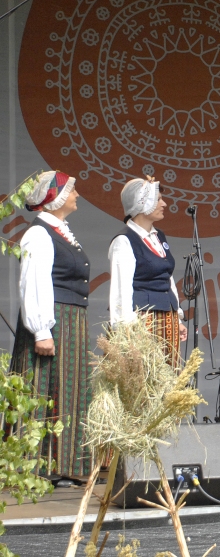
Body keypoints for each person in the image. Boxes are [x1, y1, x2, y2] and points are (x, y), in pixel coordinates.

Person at [10, 171, 91, 484]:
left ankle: (66, 464)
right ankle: (38, 467)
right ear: (56, 197)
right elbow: (33, 283)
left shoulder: (61, 230)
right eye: (72, 191)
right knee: (46, 390)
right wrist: (42, 331)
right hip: (53, 320)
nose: (77, 196)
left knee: (68, 393)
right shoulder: (39, 234)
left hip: (71, 320)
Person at [108, 176, 186, 365]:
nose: (164, 204)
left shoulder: (158, 236)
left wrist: (177, 315)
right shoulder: (124, 240)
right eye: (158, 199)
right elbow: (121, 289)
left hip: (166, 319)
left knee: (168, 379)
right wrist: (126, 331)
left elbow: (167, 277)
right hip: (142, 322)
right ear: (142, 203)